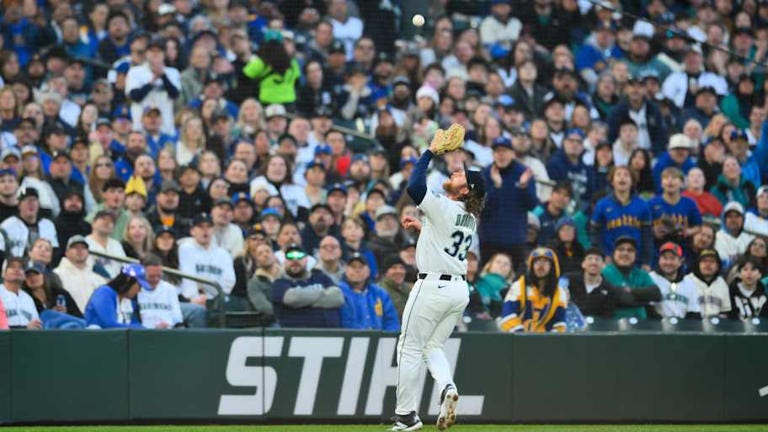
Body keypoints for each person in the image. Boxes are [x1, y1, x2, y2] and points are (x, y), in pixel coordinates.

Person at [392, 130, 486, 432]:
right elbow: (445, 239)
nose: (457, 171)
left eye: (462, 175)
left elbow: (415, 186)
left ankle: (406, 417)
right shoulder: (469, 217)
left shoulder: (446, 206)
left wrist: (430, 151)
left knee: (408, 347)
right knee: (432, 346)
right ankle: (447, 387)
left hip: (433, 286)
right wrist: (424, 228)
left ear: (464, 191)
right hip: (459, 289)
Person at [479, 135, 536, 269]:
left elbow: (532, 204)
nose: (501, 155)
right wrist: (496, 186)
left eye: (505, 151)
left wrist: (523, 187)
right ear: (493, 154)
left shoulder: (523, 173)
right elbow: (480, 207)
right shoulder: (485, 174)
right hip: (490, 240)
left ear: (512, 153)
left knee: (516, 281)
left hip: (515, 240)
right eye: (497, 151)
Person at [591, 166, 653, 267]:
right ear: (612, 181)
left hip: (635, 261)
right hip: (609, 261)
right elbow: (595, 235)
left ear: (632, 181)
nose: (622, 178)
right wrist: (602, 255)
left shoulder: (642, 205)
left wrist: (646, 262)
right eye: (618, 174)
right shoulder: (602, 205)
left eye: (626, 175)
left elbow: (647, 236)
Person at [271, 243, 344, 327]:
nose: (295, 260)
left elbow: (338, 296)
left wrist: (305, 302)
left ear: (306, 259)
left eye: (299, 256)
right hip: (298, 336)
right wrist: (323, 295)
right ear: (285, 261)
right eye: (290, 256)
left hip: (332, 335)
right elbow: (292, 298)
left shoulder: (320, 276)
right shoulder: (280, 283)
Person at [498, 247, 568, 332]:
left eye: (545, 262)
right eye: (537, 261)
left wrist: (549, 340)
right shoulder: (518, 286)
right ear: (531, 265)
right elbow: (507, 316)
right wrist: (524, 337)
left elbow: (559, 324)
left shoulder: (560, 293)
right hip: (517, 339)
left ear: (552, 267)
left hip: (545, 342)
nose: (540, 265)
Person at [178, 212, 236, 305]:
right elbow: (188, 278)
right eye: (201, 227)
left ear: (213, 230)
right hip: (191, 301)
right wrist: (194, 298)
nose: (205, 230)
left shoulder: (223, 254)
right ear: (192, 231)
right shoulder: (185, 248)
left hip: (218, 301)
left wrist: (213, 298)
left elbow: (229, 281)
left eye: (209, 227)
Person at [601, 236, 661, 319]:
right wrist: (643, 300)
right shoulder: (605, 272)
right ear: (613, 253)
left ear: (635, 255)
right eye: (621, 249)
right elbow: (621, 299)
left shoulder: (642, 274)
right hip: (613, 325)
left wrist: (629, 290)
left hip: (641, 326)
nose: (625, 253)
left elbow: (656, 294)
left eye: (630, 250)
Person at [565, 248, 634, 318]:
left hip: (597, 327)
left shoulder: (609, 289)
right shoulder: (568, 280)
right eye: (590, 259)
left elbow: (607, 317)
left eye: (597, 259)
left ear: (603, 265)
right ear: (583, 264)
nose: (593, 262)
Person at [339, 252, 399, 331]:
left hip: (379, 340)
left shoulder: (380, 293)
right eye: (353, 266)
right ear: (346, 270)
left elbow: (392, 321)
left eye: (361, 267)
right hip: (348, 340)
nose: (357, 270)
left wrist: (386, 339)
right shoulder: (338, 291)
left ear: (368, 271)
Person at [0, 186, 58, 262]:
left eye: (34, 200)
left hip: (42, 268)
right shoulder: (7, 225)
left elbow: (55, 251)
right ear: (19, 205)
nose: (31, 204)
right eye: (26, 201)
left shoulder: (48, 225)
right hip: (15, 268)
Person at [84, 264, 149, 329]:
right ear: (128, 280)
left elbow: (135, 322)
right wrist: (139, 328)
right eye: (139, 286)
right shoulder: (104, 293)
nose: (139, 290)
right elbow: (109, 325)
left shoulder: (131, 300)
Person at [53, 235, 107, 312]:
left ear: (88, 252)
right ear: (66, 252)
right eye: (75, 247)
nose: (80, 250)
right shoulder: (57, 274)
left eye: (83, 247)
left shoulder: (98, 279)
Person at [648, 242, 702, 319]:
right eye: (665, 258)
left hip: (682, 327)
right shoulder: (651, 278)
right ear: (659, 259)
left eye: (672, 258)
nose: (668, 262)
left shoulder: (689, 283)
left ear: (681, 261)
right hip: (657, 327)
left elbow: (694, 312)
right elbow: (648, 309)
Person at [137, 255, 183, 329]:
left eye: (159, 276)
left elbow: (177, 317)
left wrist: (168, 324)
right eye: (151, 276)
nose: (156, 279)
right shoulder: (135, 289)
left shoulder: (170, 289)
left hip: (167, 332)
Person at [684, 249, 731, 319]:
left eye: (712, 261)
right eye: (704, 261)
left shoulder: (722, 283)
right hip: (692, 325)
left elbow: (725, 311)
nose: (708, 264)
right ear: (698, 264)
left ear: (718, 266)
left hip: (715, 326)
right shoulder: (687, 281)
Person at [0, 257, 42, 329]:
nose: (17, 270)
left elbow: (37, 325)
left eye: (21, 268)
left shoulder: (28, 299)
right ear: (3, 273)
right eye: (12, 267)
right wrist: (25, 328)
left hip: (27, 338)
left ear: (24, 276)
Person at [715, 202, 754, 269]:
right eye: (730, 216)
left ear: (743, 219)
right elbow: (722, 262)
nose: (733, 220)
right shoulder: (718, 237)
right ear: (724, 219)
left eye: (737, 216)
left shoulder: (750, 237)